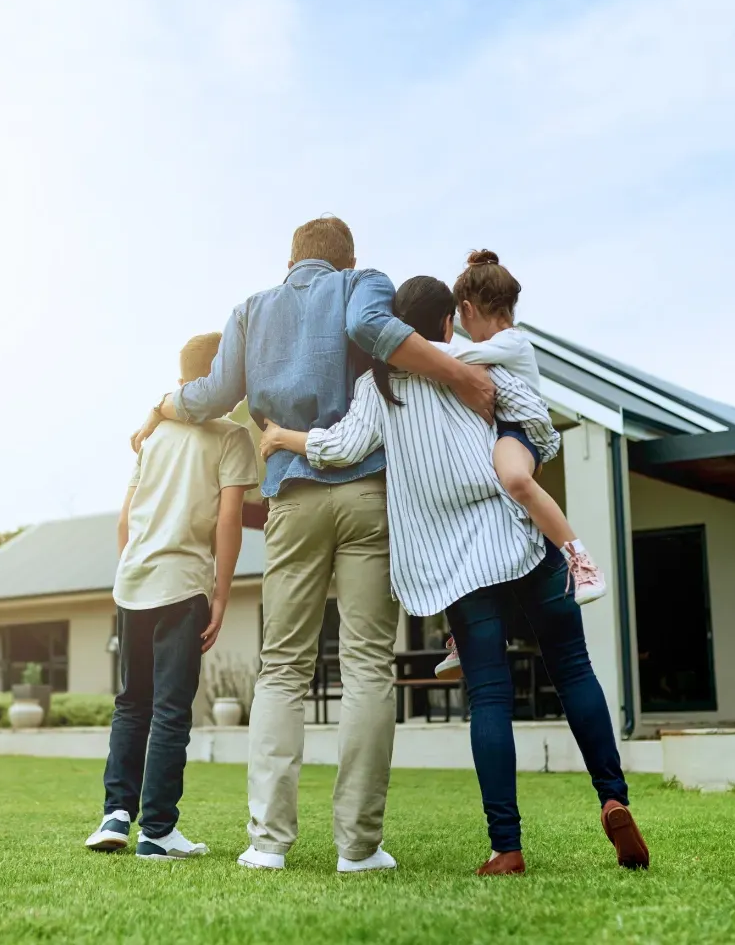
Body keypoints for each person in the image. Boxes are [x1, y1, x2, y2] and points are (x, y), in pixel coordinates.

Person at [130, 216, 495, 873]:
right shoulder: (363, 283)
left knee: (282, 669)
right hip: (366, 497)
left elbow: (213, 395)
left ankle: (267, 843)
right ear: (347, 258)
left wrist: (164, 402)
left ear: (290, 261)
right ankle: (358, 848)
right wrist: (459, 375)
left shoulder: (251, 310)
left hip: (291, 497)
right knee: (366, 668)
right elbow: (371, 331)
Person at [261, 275, 649, 876]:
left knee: (489, 697)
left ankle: (507, 847)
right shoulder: (471, 364)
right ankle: (613, 797)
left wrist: (282, 436)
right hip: (519, 539)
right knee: (573, 669)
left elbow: (339, 447)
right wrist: (520, 449)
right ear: (449, 323)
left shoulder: (378, 386)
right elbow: (535, 424)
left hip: (457, 569)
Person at [86, 332, 259, 860]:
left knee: (131, 703)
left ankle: (116, 815)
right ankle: (157, 830)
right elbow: (230, 518)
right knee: (169, 710)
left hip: (133, 583)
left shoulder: (153, 435)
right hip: (182, 586)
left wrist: (131, 570)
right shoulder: (231, 437)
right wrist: (222, 594)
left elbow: (124, 518)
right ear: (220, 379)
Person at [423, 250, 606, 680]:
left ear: (466, 309)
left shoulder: (511, 342)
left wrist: (402, 348)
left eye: (460, 318)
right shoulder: (495, 344)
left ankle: (580, 558)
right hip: (500, 435)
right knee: (480, 527)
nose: (461, 329)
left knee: (514, 479)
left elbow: (454, 362)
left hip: (518, 434)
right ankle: (463, 635)